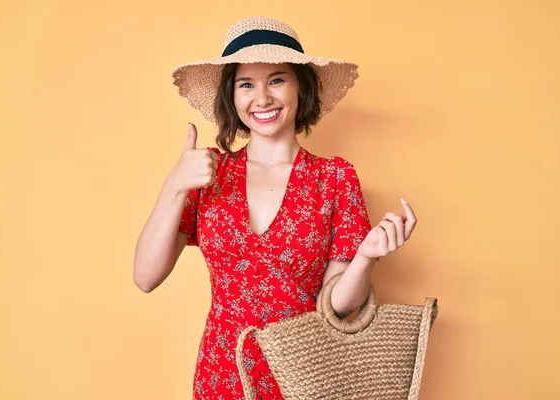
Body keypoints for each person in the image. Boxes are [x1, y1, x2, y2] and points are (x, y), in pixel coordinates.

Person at [133, 16, 417, 400]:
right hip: (222, 374)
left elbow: (338, 308)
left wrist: (365, 256)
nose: (262, 98)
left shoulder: (334, 178)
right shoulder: (208, 174)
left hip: (304, 379)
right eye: (246, 84)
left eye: (277, 80)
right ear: (231, 97)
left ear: (302, 89)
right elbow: (146, 277)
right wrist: (174, 185)